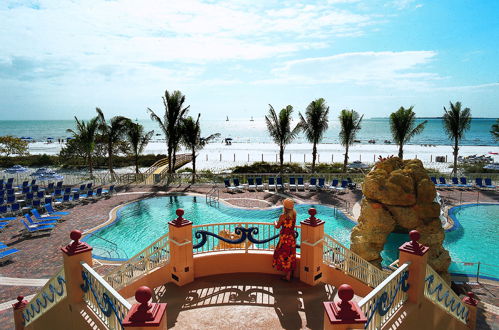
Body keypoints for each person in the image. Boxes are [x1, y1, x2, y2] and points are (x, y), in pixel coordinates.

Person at [272, 198, 297, 281]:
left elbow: (277, 226)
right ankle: (288, 275)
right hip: (292, 238)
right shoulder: (294, 214)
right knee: (290, 255)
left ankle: (287, 276)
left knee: (282, 254)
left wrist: (274, 222)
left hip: (284, 238)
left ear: (285, 207)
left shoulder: (282, 216)